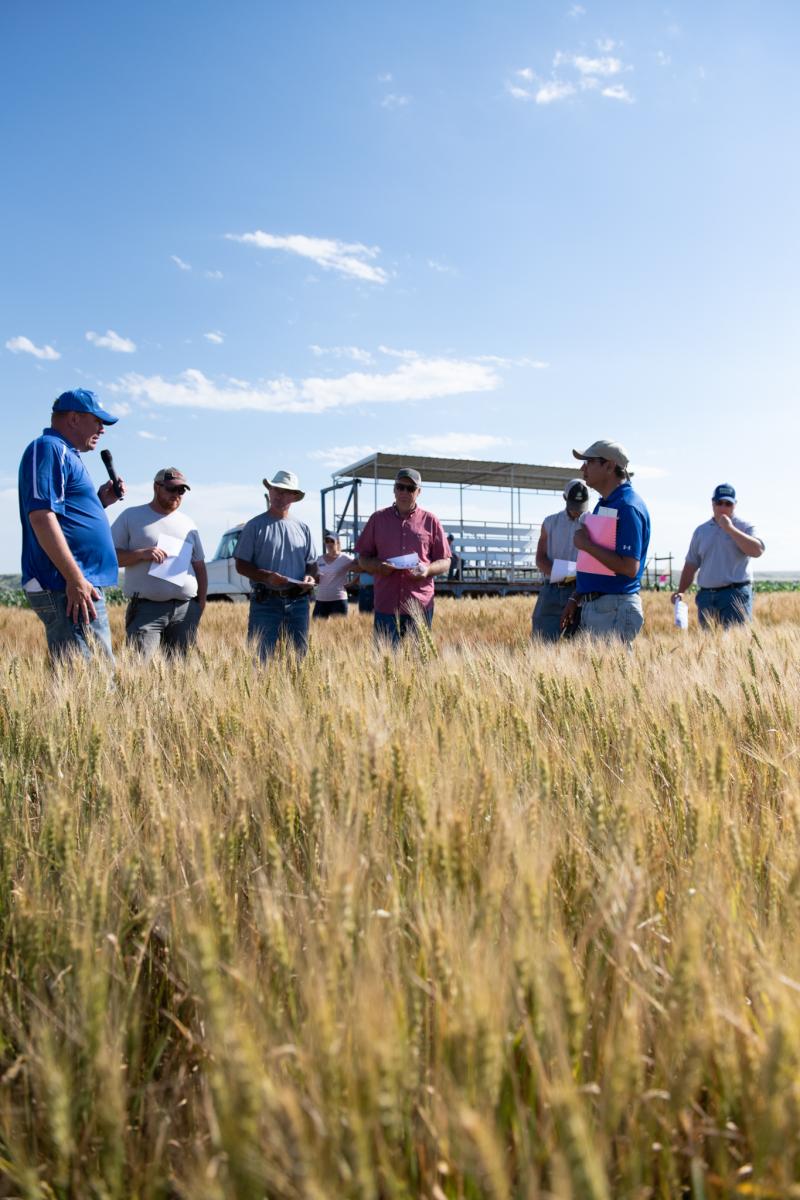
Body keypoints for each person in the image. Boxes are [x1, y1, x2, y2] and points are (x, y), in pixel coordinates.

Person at [18, 388, 125, 663]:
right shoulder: (49, 448)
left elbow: (66, 516)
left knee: (88, 681)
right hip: (67, 585)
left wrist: (101, 502)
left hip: (77, 583)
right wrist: (75, 578)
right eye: (97, 421)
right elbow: (41, 516)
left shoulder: (66, 453)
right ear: (74, 418)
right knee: (92, 683)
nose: (102, 429)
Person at [560, 440, 651, 644]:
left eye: (589, 462)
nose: (582, 468)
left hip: (614, 608)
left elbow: (629, 567)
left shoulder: (628, 507)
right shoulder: (607, 504)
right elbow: (598, 565)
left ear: (609, 466)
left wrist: (586, 545)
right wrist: (577, 596)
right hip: (603, 607)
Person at [111, 468, 207, 658]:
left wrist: (200, 604)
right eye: (171, 489)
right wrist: (140, 554)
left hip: (185, 610)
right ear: (156, 487)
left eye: (181, 491)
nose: (176, 495)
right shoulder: (131, 516)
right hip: (146, 610)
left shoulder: (188, 523)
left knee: (182, 674)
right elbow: (109, 557)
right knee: (141, 671)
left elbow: (199, 566)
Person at [356, 467, 451, 646]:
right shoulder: (377, 519)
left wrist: (427, 569)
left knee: (418, 665)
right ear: (394, 489)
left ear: (419, 492)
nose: (404, 492)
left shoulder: (431, 521)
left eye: (410, 488)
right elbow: (363, 558)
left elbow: (445, 561)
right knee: (385, 664)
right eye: (400, 487)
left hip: (419, 605)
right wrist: (378, 566)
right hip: (386, 604)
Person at [234, 469, 318, 659]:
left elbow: (312, 564)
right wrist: (266, 577)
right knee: (260, 661)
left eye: (286, 491)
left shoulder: (303, 528)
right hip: (266, 602)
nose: (279, 495)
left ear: (294, 497)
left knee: (298, 663)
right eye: (276, 489)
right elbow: (241, 565)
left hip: (298, 602)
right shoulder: (254, 526)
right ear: (269, 491)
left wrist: (311, 576)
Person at [671, 483, 765, 628]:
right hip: (706, 597)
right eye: (719, 503)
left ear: (735, 505)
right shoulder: (701, 531)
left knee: (736, 645)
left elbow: (757, 550)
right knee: (710, 645)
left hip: (735, 595)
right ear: (712, 503)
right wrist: (681, 591)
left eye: (728, 504)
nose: (723, 507)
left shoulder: (745, 526)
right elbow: (691, 564)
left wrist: (730, 529)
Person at [532, 478, 589, 641]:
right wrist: (572, 573)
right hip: (552, 590)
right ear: (565, 499)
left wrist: (568, 575)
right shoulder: (550, 522)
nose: (578, 511)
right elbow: (540, 559)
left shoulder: (593, 522)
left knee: (579, 646)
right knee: (541, 642)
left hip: (581, 592)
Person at [313, 533, 359, 619]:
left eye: (332, 541)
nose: (329, 543)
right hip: (321, 600)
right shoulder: (319, 559)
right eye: (327, 541)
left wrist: (352, 583)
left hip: (339, 600)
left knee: (339, 631)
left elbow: (362, 566)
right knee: (317, 630)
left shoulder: (345, 558)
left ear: (337, 543)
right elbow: (316, 579)